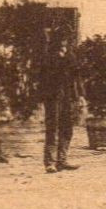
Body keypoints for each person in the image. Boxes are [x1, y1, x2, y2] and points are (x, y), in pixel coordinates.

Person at [40, 28, 81, 174]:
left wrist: (79, 96)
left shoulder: (71, 56)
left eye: (66, 39)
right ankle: (50, 162)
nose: (65, 42)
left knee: (67, 128)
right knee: (52, 128)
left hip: (67, 97)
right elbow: (44, 77)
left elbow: (76, 77)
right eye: (62, 39)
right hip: (53, 96)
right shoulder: (49, 56)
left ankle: (62, 160)